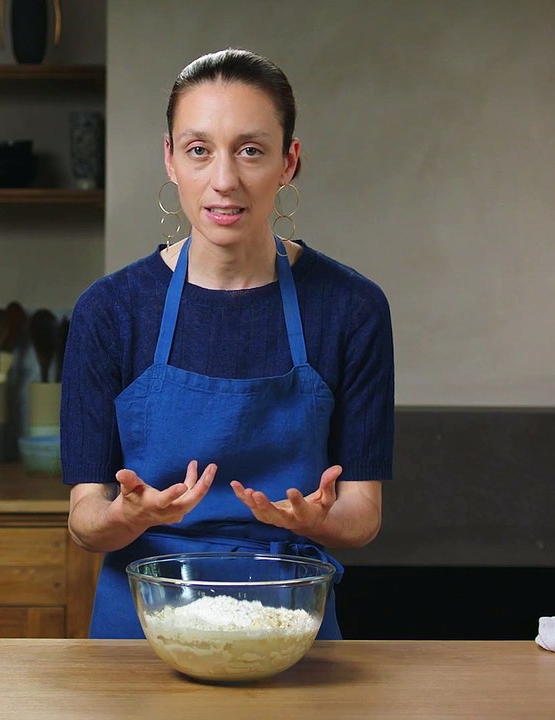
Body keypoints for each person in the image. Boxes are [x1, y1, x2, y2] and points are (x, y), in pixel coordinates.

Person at [60, 48, 394, 640]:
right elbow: (85, 521)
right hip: (141, 629)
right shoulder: (109, 312)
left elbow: (362, 516)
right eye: (198, 150)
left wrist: (317, 521)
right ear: (170, 159)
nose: (224, 180)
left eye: (250, 150)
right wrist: (124, 516)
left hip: (289, 623)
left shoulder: (350, 309)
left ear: (289, 162)